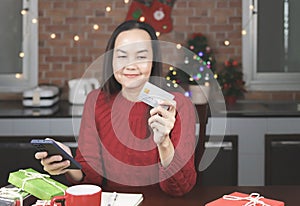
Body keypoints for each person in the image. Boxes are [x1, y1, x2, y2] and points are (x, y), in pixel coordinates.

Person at [35, 20, 197, 196]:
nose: (130, 65)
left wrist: (164, 142)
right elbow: (91, 179)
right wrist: (68, 164)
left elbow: (181, 189)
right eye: (122, 56)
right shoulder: (95, 101)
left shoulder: (178, 104)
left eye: (141, 56)